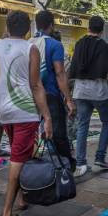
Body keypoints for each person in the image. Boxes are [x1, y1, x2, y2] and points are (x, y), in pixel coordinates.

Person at [0, 11, 52, 216]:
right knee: (18, 159)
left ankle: (21, 198)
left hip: (3, 112)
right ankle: (7, 214)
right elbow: (36, 85)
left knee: (19, 153)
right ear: (28, 29)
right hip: (25, 111)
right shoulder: (30, 48)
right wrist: (47, 116)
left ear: (7, 27)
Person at [69, 16, 108, 178]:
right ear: (101, 30)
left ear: (88, 27)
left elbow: (73, 67)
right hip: (98, 91)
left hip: (80, 90)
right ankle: (100, 158)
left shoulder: (80, 43)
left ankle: (80, 163)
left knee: (83, 125)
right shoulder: (102, 45)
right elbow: (102, 69)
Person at [32, 10, 76, 170]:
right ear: (51, 25)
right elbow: (59, 72)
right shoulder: (55, 45)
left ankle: (34, 166)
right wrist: (69, 100)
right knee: (58, 134)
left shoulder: (28, 43)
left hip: (30, 95)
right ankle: (65, 167)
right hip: (50, 95)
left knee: (33, 133)